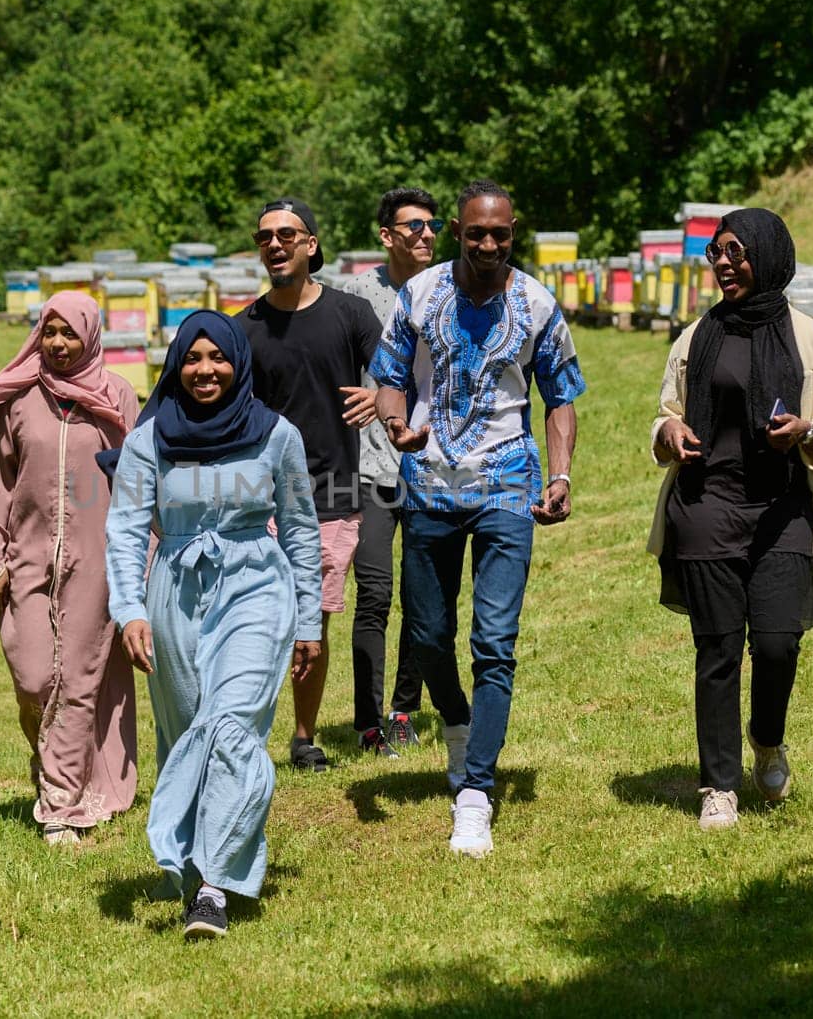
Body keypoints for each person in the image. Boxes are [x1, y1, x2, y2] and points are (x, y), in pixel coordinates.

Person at [371, 180, 585, 857]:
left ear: (513, 231)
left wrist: (559, 473)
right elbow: (386, 378)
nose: (488, 244)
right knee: (428, 636)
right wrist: (396, 422)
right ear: (457, 231)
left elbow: (561, 397)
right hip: (428, 486)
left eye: (499, 233)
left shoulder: (538, 303)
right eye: (475, 233)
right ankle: (457, 724)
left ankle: (475, 794)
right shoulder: (420, 295)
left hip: (507, 487)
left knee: (494, 641)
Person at [105, 311, 322, 940]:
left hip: (257, 584)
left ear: (238, 363)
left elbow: (302, 530)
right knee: (186, 729)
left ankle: (212, 888)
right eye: (192, 359)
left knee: (229, 725)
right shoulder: (149, 440)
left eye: (217, 358)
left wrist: (309, 618)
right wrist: (131, 609)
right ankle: (194, 854)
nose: (205, 371)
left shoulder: (277, 435)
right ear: (176, 364)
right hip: (174, 590)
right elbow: (123, 529)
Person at [648, 207, 813, 831]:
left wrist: (807, 430)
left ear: (768, 255)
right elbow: (664, 414)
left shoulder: (810, 337)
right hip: (706, 503)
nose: (724, 264)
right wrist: (670, 431)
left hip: (781, 507)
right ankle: (719, 788)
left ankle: (767, 738)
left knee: (779, 642)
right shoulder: (696, 336)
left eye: (736, 252)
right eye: (716, 253)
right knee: (718, 649)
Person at [0, 290, 140, 846]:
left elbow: (140, 482)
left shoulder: (118, 397)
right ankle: (60, 766)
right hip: (27, 560)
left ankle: (60, 805)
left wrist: (138, 564)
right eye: (49, 331)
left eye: (69, 333)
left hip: (97, 563)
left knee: (79, 682)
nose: (58, 343)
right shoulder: (19, 400)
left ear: (91, 335)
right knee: (35, 679)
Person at [236, 197, 382, 772]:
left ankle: (303, 736)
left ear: (311, 245)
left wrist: (380, 395)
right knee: (253, 619)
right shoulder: (242, 328)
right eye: (265, 236)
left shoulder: (349, 314)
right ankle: (242, 729)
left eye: (288, 235)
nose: (275, 244)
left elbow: (398, 371)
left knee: (310, 621)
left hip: (333, 493)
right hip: (257, 497)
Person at [341, 187, 444, 755]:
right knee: (376, 593)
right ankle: (368, 721)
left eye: (431, 226)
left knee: (423, 593)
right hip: (370, 467)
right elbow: (327, 371)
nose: (425, 235)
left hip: (435, 465)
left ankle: (405, 708)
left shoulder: (452, 292)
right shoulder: (353, 296)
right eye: (413, 227)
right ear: (387, 236)